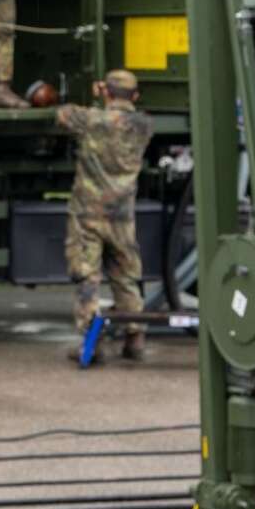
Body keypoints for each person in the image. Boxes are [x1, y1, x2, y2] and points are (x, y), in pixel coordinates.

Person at [54, 69, 156, 365]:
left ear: (105, 92)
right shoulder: (144, 125)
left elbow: (62, 114)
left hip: (89, 213)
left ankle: (91, 343)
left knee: (88, 277)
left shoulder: (92, 120)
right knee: (126, 275)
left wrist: (94, 98)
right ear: (135, 96)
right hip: (122, 215)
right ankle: (135, 337)